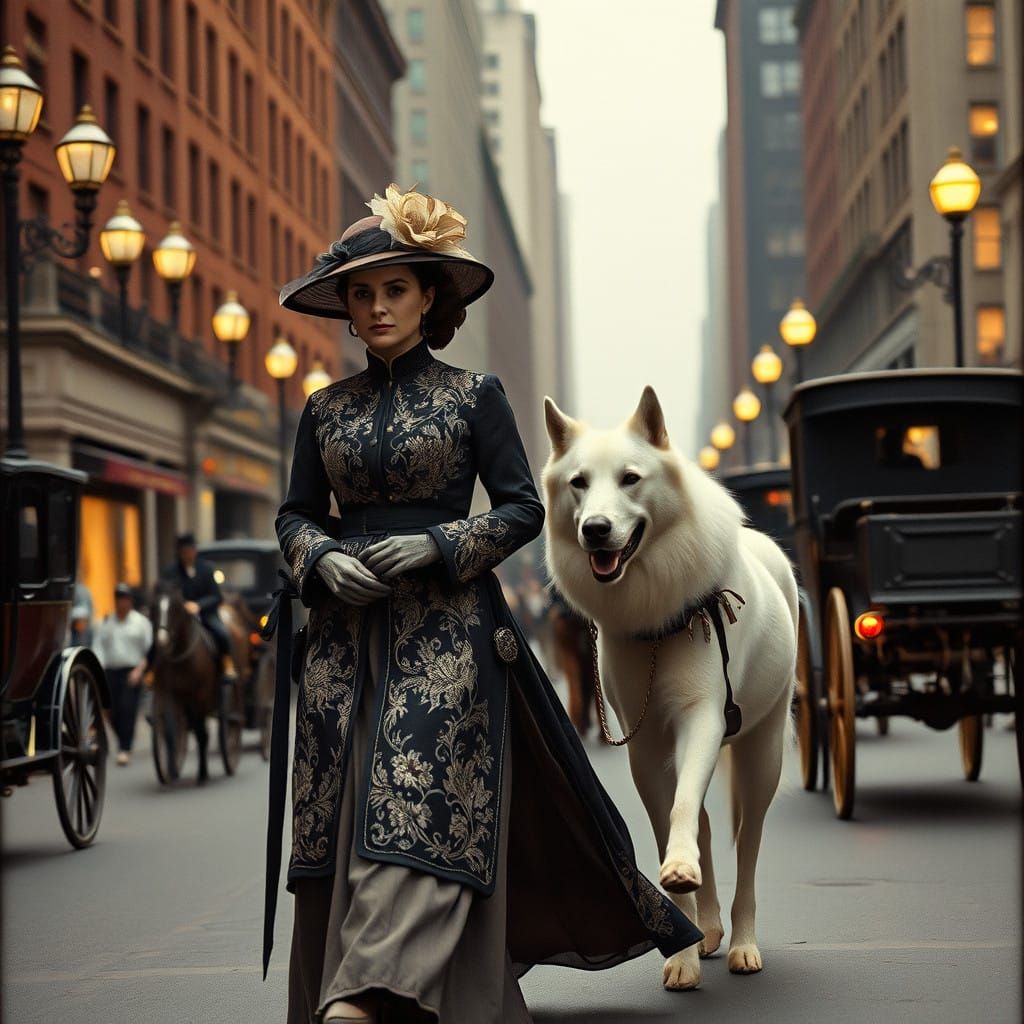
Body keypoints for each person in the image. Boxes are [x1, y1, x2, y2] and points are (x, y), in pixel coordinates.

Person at [270, 184, 700, 1024]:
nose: (378, 306)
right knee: (344, 814)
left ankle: (360, 996)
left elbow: (524, 508)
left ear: (430, 297)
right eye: (361, 293)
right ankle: (374, 992)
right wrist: (317, 555)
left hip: (449, 643)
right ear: (347, 312)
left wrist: (436, 545)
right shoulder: (322, 410)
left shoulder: (476, 396)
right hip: (339, 646)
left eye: (395, 289)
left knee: (417, 798)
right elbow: (293, 513)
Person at [159, 533, 237, 682]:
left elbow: (216, 596)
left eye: (190, 550)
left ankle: (227, 664)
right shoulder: (170, 572)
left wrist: (198, 605)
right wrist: (182, 605)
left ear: (195, 551)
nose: (187, 554)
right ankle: (154, 671)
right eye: (184, 551)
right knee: (161, 634)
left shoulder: (207, 569)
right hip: (179, 615)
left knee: (222, 634)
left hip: (205, 613)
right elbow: (166, 593)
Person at [93, 583, 152, 765]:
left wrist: (140, 670)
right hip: (110, 672)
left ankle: (125, 747)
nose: (121, 603)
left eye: (125, 599)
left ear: (130, 601)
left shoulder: (141, 623)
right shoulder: (106, 622)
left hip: (132, 671)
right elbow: (98, 647)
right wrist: (99, 670)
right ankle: (122, 741)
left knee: (128, 709)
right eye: (119, 599)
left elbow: (148, 650)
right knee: (111, 711)